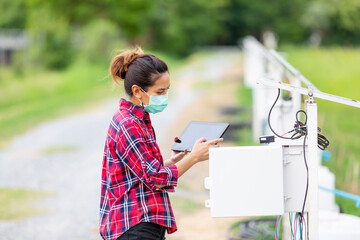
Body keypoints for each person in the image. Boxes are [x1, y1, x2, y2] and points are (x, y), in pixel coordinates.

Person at [99, 47, 223, 240]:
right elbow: (155, 178)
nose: (165, 96)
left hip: (143, 222)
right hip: (134, 225)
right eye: (160, 91)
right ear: (137, 91)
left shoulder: (137, 118)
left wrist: (171, 161)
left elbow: (139, 172)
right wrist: (194, 157)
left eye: (167, 90)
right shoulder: (129, 124)